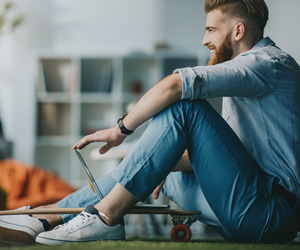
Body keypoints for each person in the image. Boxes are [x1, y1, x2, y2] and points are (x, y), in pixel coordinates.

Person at [1, 0, 300, 245]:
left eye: (211, 29)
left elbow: (174, 85)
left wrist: (119, 130)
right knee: (147, 164)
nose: (205, 39)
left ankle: (105, 218)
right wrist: (160, 159)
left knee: (186, 109)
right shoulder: (250, 76)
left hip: (269, 213)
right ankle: (45, 216)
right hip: (242, 207)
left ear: (238, 31)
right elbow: (234, 160)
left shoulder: (267, 64)